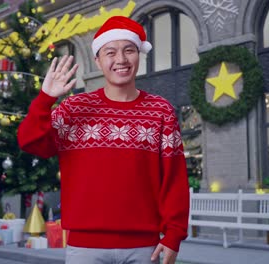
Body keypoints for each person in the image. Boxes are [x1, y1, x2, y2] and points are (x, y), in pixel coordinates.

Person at [18, 15, 189, 264]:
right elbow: (30, 141)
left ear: (139, 56)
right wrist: (45, 99)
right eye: (110, 52)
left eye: (129, 50)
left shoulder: (160, 110)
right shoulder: (74, 108)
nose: (120, 59)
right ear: (98, 60)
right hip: (85, 248)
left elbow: (174, 177)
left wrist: (174, 235)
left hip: (144, 246)